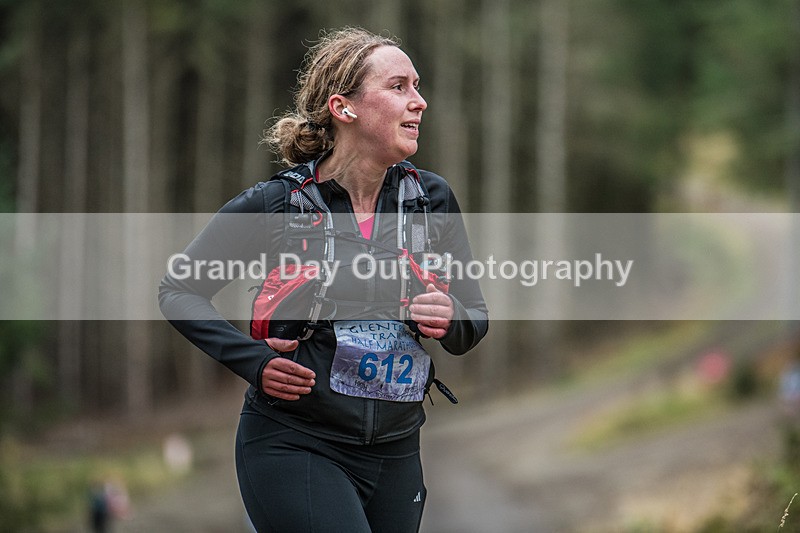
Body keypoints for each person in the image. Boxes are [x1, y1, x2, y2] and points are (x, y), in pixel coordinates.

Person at [159, 27, 487, 532]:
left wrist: (451, 317)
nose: (419, 102)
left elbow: (474, 320)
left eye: (418, 86)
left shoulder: (430, 199)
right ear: (344, 107)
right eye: (399, 86)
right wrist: (254, 362)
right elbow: (178, 290)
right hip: (296, 442)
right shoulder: (277, 204)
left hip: (397, 452)